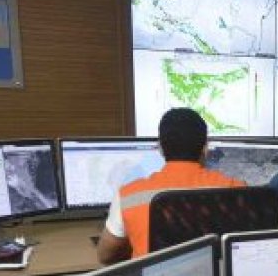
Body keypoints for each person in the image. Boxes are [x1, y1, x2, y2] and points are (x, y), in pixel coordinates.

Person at [96, 108, 245, 263]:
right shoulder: (239, 191)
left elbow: (105, 256)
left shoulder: (129, 196)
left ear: (160, 148)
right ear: (205, 148)